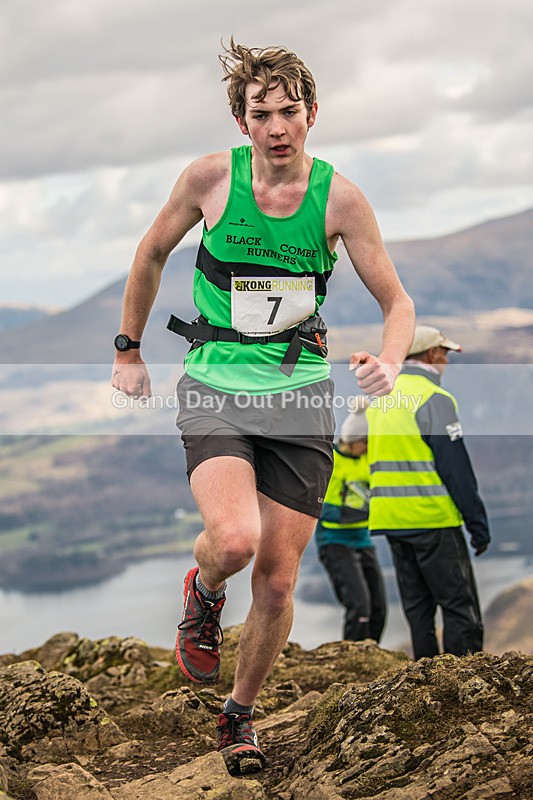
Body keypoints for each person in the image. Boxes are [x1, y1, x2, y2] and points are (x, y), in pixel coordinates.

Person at [112, 38, 414, 774]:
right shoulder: (211, 179)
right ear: (241, 122)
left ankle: (238, 716)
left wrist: (391, 360)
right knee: (236, 541)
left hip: (300, 395)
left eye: (288, 111)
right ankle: (205, 585)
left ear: (311, 113)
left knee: (278, 579)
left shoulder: (337, 198)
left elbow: (396, 302)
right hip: (216, 381)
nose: (276, 125)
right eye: (260, 113)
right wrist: (127, 348)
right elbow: (150, 253)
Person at [366, 325, 490, 661]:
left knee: (418, 609)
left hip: (391, 520)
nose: (447, 360)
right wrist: (477, 523)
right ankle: (465, 682)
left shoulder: (380, 399)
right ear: (432, 354)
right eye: (445, 353)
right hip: (432, 518)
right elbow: (456, 469)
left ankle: (424, 676)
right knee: (459, 606)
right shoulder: (433, 398)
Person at [315, 403, 386, 642]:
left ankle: (371, 656)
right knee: (359, 607)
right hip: (335, 542)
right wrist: (367, 514)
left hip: (362, 540)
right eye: (364, 441)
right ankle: (352, 658)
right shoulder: (330, 460)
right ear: (352, 440)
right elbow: (325, 509)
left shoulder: (367, 458)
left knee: (379, 608)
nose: (367, 447)